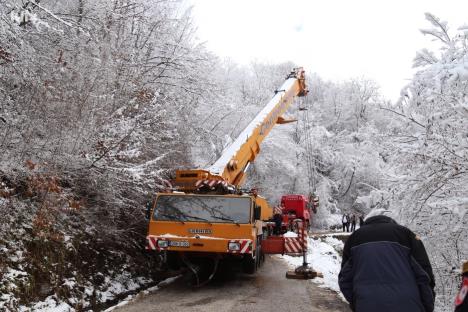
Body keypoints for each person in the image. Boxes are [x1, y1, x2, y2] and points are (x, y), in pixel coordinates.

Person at [339, 209, 435, 312]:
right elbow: (425, 275)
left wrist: (356, 303)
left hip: (367, 304)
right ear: (391, 220)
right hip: (409, 304)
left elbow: (345, 279)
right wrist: (427, 306)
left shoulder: (354, 238)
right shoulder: (406, 235)